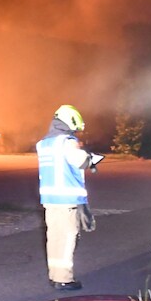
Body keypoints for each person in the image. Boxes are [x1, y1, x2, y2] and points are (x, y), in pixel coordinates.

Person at [36, 104, 103, 290]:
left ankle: (55, 275)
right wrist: (91, 159)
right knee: (67, 238)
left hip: (49, 199)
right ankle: (64, 279)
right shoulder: (67, 141)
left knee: (55, 238)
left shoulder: (44, 143)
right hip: (67, 200)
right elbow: (80, 161)